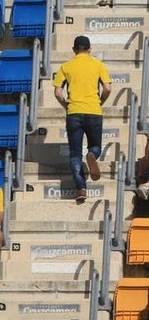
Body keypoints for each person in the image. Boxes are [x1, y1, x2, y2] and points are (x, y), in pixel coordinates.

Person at [53, 36, 111, 204]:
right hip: (93, 110)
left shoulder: (66, 67)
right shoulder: (98, 65)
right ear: (89, 49)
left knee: (75, 153)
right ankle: (92, 155)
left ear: (74, 50)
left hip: (74, 112)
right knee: (95, 146)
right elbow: (107, 88)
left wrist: (66, 105)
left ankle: (81, 189)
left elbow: (57, 93)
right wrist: (100, 102)